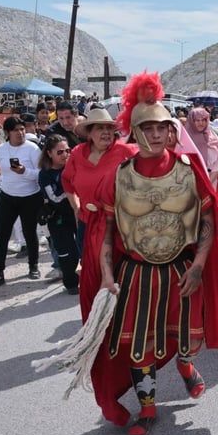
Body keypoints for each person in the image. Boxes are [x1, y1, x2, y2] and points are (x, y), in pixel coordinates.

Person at [86, 71, 218, 435]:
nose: (156, 135)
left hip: (181, 271)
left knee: (186, 338)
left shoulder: (188, 171)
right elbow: (107, 230)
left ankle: (186, 366)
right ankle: (147, 407)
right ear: (135, 131)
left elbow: (207, 218)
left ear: (171, 130)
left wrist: (200, 265)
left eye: (162, 127)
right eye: (148, 128)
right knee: (139, 346)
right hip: (137, 274)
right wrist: (107, 274)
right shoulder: (120, 176)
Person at [62, 107, 138, 320]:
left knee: (119, 275)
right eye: (100, 128)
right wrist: (76, 206)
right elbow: (67, 180)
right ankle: (98, 321)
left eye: (109, 128)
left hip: (119, 226)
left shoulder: (126, 152)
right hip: (87, 224)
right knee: (93, 274)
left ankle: (121, 322)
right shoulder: (78, 153)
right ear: (89, 133)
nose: (106, 132)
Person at [0, 116, 43, 284]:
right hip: (7, 197)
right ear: (7, 133)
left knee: (30, 232)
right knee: (2, 235)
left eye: (22, 129)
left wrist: (25, 172)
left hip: (30, 197)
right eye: (16, 130)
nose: (21, 133)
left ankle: (33, 265)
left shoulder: (33, 149)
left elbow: (40, 174)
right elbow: (2, 171)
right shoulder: (1, 149)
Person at [38, 134, 79, 294]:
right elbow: (54, 198)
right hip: (59, 217)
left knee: (87, 249)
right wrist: (72, 190)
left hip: (78, 214)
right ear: (49, 153)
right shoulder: (45, 174)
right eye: (60, 152)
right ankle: (70, 283)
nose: (65, 155)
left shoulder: (74, 166)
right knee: (67, 253)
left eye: (67, 150)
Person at [187, 106, 218, 187]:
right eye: (197, 120)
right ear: (191, 121)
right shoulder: (185, 139)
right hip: (189, 185)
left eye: (203, 120)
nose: (201, 123)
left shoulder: (214, 138)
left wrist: (206, 185)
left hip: (211, 183)